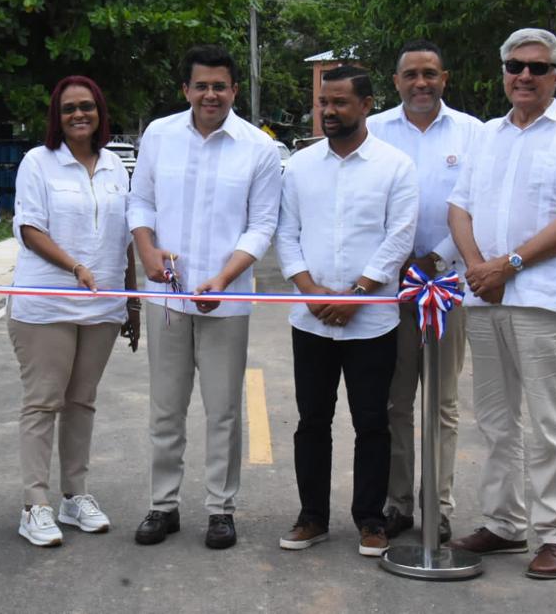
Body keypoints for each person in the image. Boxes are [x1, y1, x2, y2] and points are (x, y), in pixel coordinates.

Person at [447, 28, 556, 579]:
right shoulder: (486, 135)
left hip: (541, 300)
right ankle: (503, 523)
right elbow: (460, 210)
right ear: (503, 71)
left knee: (548, 422)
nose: (524, 75)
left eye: (537, 68)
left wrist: (507, 265)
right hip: (485, 298)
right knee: (495, 420)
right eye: (515, 65)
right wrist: (479, 269)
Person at [127, 44, 282, 549]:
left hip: (226, 300)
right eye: (202, 85)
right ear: (186, 90)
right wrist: (146, 252)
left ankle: (220, 509)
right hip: (165, 300)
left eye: (220, 86)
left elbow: (262, 225)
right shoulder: (159, 135)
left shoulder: (257, 148)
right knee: (166, 409)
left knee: (223, 410)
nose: (210, 94)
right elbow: (141, 201)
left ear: (234, 90)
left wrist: (226, 276)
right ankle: (163, 506)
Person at [275, 65, 417, 557]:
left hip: (371, 318)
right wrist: (310, 290)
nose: (329, 111)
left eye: (339, 102)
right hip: (310, 317)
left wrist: (359, 291)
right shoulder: (299, 165)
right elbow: (285, 233)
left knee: (372, 422)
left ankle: (370, 521)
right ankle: (311, 516)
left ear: (366, 104)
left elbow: (399, 235)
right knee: (312, 420)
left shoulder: (395, 165)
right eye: (324, 103)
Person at [8, 75, 139, 547]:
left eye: (86, 106)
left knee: (82, 402)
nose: (78, 115)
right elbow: (29, 229)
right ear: (56, 117)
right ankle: (34, 504)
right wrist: (75, 266)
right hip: (47, 303)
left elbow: (124, 238)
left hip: (102, 306)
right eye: (68, 109)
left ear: (100, 111)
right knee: (44, 402)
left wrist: (131, 301)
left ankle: (74, 496)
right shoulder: (37, 163)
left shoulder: (115, 167)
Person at [367, 40, 482, 543]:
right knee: (395, 402)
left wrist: (434, 259)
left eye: (430, 73)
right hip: (390, 290)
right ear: (395, 82)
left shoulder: (473, 134)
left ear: (445, 78)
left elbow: (476, 205)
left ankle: (438, 505)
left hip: (447, 287)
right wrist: (391, 267)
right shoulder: (373, 132)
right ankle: (396, 503)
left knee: (443, 402)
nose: (420, 83)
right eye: (410, 74)